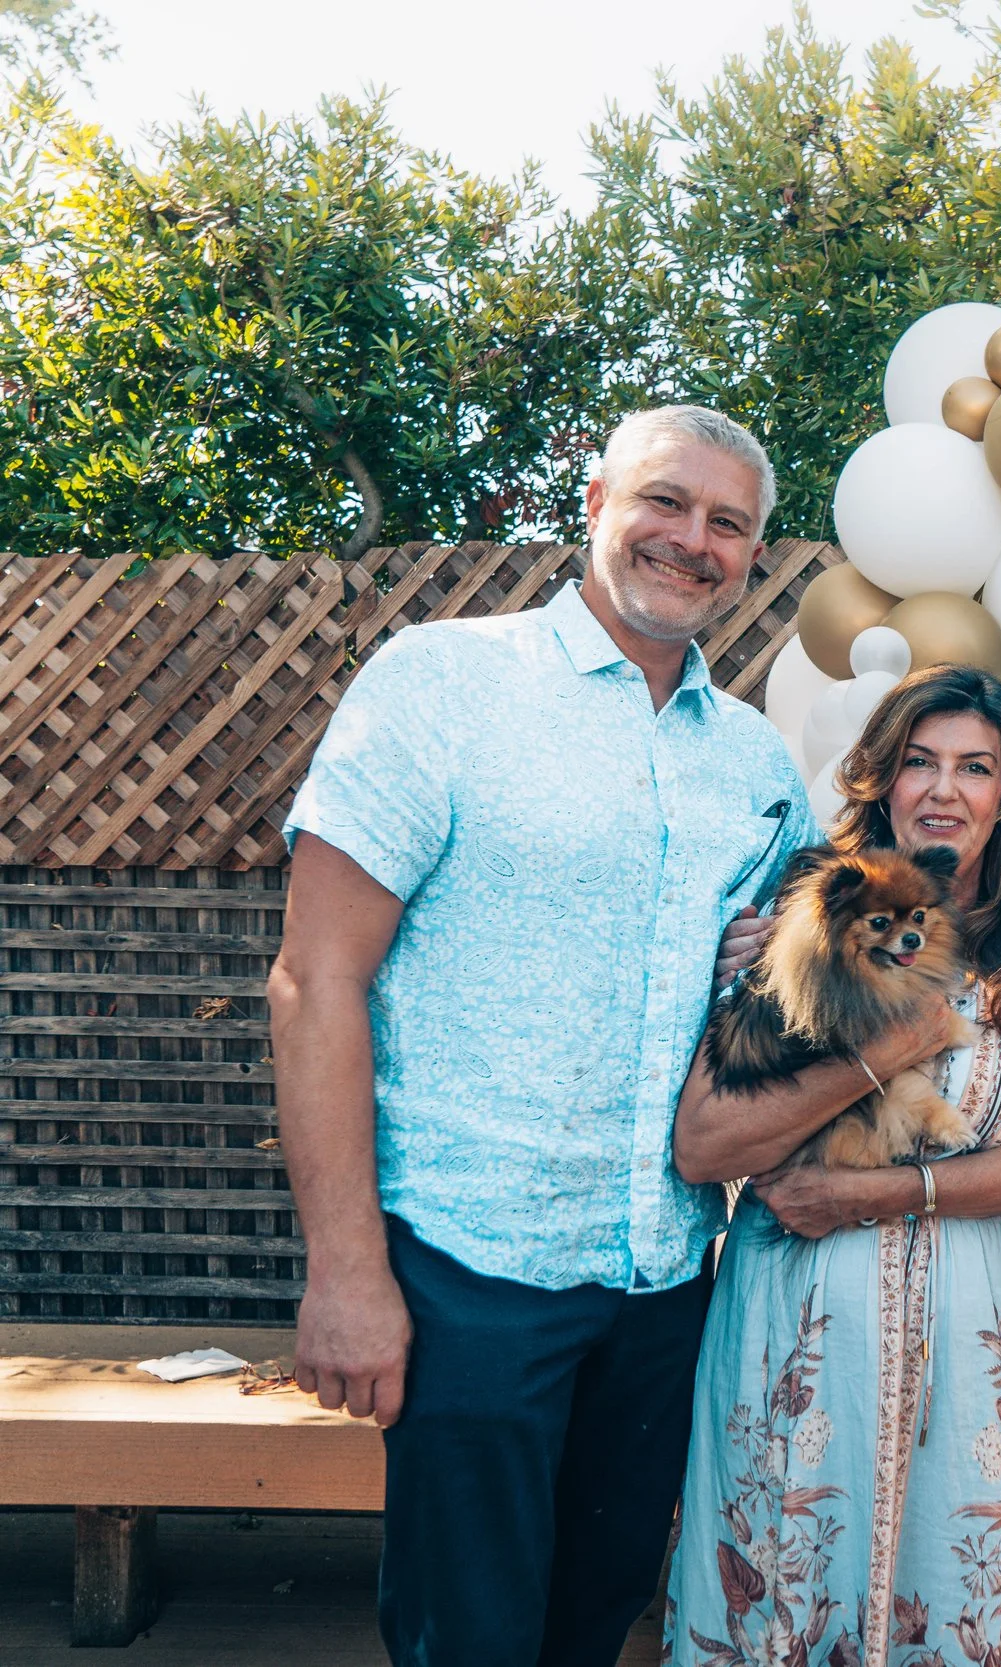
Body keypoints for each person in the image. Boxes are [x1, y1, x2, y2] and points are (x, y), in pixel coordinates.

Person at [268, 405, 865, 1665]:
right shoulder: (442, 681)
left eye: (728, 523)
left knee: (592, 1625)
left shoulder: (757, 765)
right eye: (665, 501)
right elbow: (315, 981)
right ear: (594, 499)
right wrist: (346, 1268)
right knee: (467, 1637)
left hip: (663, 1281)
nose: (690, 540)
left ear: (754, 555)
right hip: (470, 1271)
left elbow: (758, 1007)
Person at [664, 665, 1001, 1667]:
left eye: (976, 766)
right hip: (805, 1326)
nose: (944, 788)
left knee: (971, 1594)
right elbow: (704, 1142)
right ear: (881, 778)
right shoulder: (797, 927)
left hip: (989, 1328)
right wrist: (879, 1055)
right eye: (920, 760)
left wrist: (864, 1193)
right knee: (791, 1584)